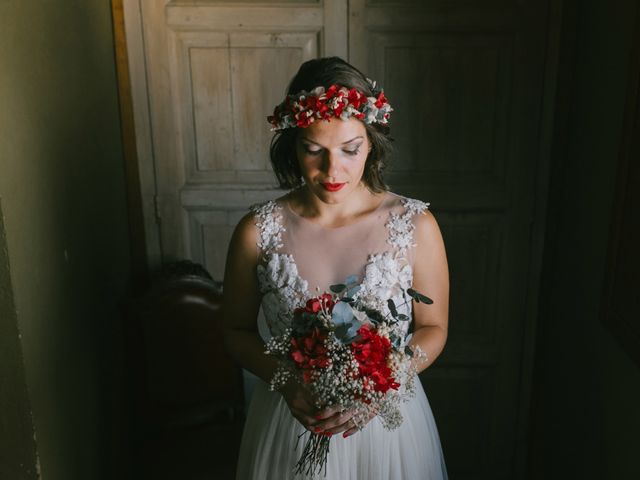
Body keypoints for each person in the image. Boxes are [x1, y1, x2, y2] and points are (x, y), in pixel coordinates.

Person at [223, 57, 449, 479]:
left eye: (350, 149)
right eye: (314, 150)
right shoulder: (258, 231)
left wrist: (381, 384)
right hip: (288, 425)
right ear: (292, 145)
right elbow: (234, 331)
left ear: (372, 142)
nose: (333, 171)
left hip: (390, 428)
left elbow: (434, 328)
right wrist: (287, 380)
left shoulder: (414, 225)